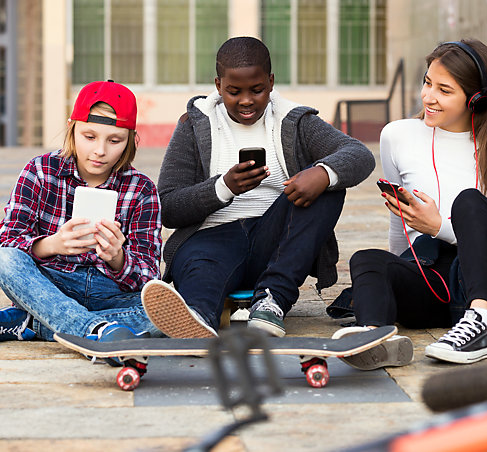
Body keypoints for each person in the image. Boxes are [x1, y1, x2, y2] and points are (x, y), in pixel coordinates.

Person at [336, 39, 487, 368]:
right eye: (427, 82)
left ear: (475, 99)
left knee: (469, 203)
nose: (428, 97)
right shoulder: (398, 135)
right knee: (368, 261)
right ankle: (374, 337)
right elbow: (400, 227)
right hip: (437, 284)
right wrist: (395, 275)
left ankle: (481, 322)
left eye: (444, 90)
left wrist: (437, 226)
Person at [141, 36, 374, 338]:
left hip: (274, 243)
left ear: (272, 82)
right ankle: (196, 317)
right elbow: (168, 207)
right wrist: (223, 187)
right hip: (210, 241)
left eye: (257, 89)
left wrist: (321, 173)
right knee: (202, 276)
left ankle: (271, 300)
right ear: (217, 85)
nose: (246, 100)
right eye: (233, 92)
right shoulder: (194, 125)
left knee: (329, 183)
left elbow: (359, 155)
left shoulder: (295, 121)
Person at [0, 80, 162, 353]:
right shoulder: (39, 170)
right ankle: (93, 330)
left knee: (170, 313)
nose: (100, 151)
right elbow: (3, 243)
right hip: (49, 284)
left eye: (114, 140)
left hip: (109, 294)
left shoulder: (142, 190)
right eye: (90, 137)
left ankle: (35, 324)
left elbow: (150, 276)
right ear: (72, 129)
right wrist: (53, 245)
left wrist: (118, 258)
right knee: (3, 258)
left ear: (130, 140)